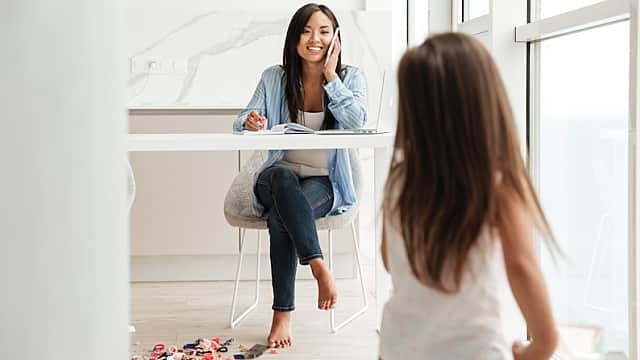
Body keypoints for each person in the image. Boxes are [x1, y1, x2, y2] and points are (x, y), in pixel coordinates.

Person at [379, 33, 559, 360]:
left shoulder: (399, 180)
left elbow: (390, 259)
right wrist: (544, 344)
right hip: (473, 350)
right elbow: (521, 267)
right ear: (485, 102)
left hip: (398, 347)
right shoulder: (496, 185)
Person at [232, 3, 367, 349]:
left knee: (282, 217)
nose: (314, 39)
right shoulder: (273, 77)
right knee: (281, 180)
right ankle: (319, 266)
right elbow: (243, 118)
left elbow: (356, 122)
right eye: (306, 30)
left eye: (324, 31)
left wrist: (331, 77)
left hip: (322, 182)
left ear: (335, 39)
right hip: (276, 178)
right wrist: (250, 121)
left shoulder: (350, 77)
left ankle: (282, 314)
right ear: (294, 37)